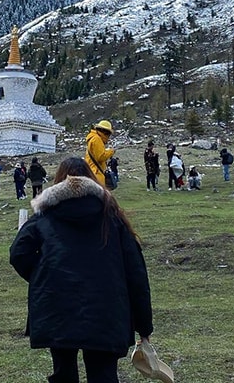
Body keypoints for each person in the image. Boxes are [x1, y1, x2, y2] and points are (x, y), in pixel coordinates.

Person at [9, 157, 153, 383]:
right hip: (106, 308)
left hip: (56, 305)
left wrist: (43, 277)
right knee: (103, 376)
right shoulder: (112, 216)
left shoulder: (45, 215)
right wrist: (144, 326)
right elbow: (136, 272)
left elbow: (19, 254)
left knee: (63, 374)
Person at [84, 120, 115, 188]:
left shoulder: (93, 138)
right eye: (108, 133)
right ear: (105, 132)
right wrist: (111, 151)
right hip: (96, 173)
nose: (109, 136)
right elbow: (100, 157)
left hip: (92, 171)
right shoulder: (97, 139)